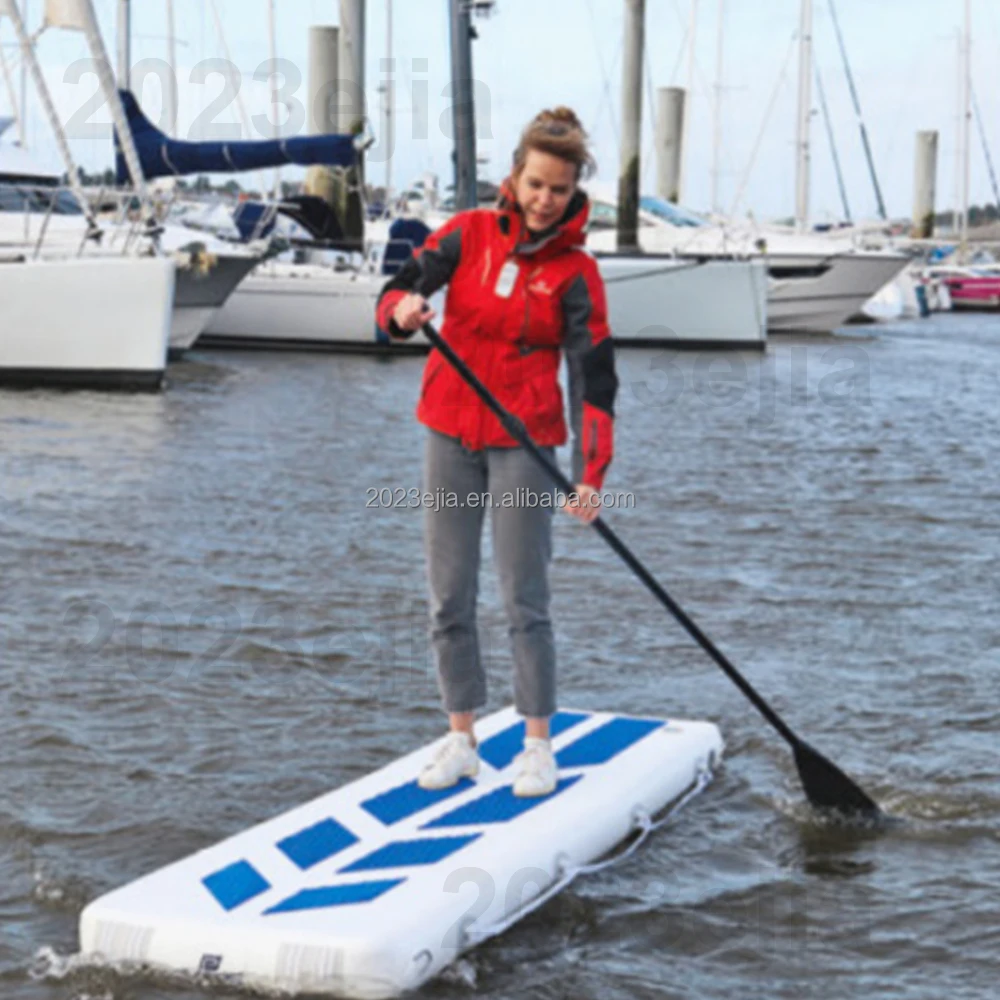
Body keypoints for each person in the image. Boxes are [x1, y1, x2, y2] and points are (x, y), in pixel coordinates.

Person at [375, 107, 618, 797]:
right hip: (449, 430)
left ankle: (537, 744)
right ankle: (462, 737)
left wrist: (589, 476)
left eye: (559, 190)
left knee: (524, 598)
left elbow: (594, 378)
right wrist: (400, 311)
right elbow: (398, 290)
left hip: (524, 442)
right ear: (515, 175)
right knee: (448, 596)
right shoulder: (468, 235)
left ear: (574, 194)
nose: (545, 200)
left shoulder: (577, 274)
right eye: (536, 183)